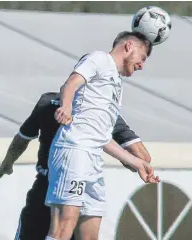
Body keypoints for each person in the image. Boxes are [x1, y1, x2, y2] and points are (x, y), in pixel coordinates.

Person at [0, 92, 152, 240]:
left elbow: (22, 138)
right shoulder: (103, 110)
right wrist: (126, 158)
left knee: (58, 232)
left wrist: (6, 164)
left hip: (48, 186)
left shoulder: (49, 102)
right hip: (77, 188)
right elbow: (142, 156)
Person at [45, 31, 158, 240]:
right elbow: (70, 84)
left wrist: (136, 162)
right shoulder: (98, 59)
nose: (142, 65)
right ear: (129, 46)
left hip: (93, 160)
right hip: (74, 150)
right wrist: (67, 106)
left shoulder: (116, 84)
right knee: (64, 225)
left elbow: (102, 137)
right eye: (143, 58)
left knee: (90, 234)